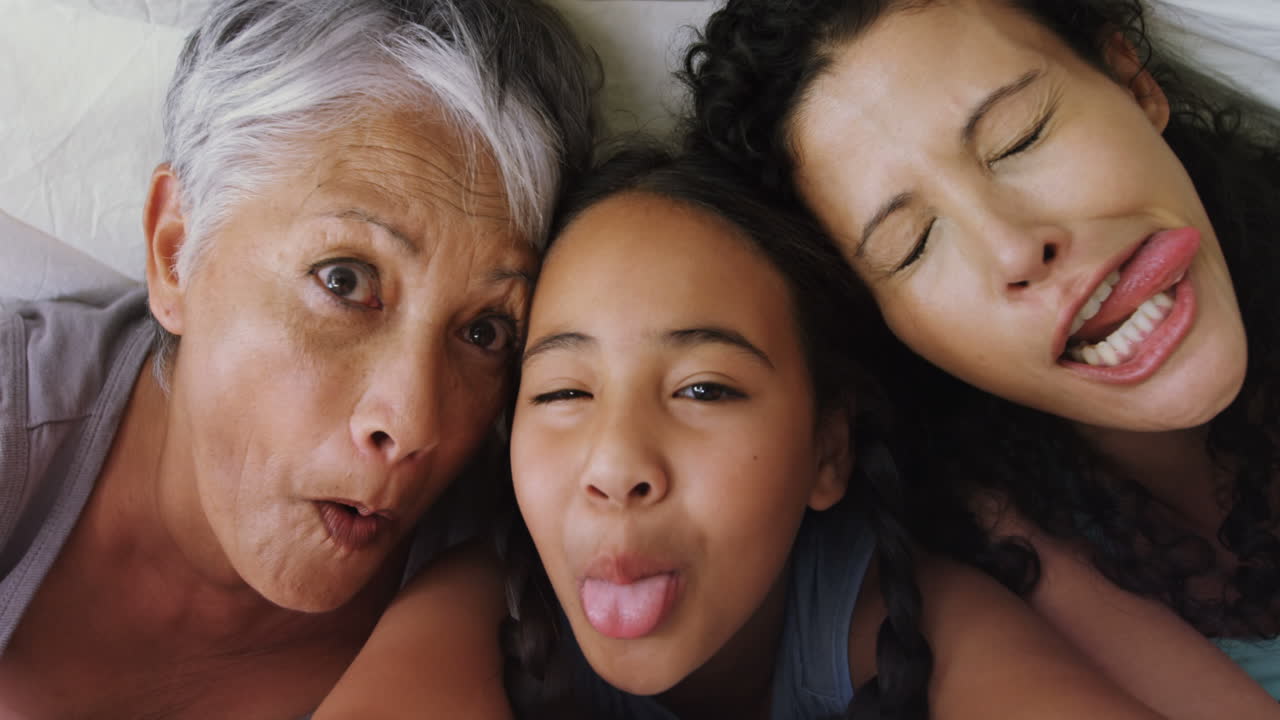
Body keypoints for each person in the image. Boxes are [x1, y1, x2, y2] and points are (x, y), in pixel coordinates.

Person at [321, 147, 1173, 720]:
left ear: (828, 449)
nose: (616, 465)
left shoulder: (907, 620)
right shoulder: (475, 604)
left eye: (703, 388)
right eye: (564, 391)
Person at [681, 0, 1280, 714]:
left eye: (1018, 138)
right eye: (913, 245)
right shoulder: (993, 547)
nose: (1015, 247)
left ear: (1134, 83)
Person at [0, 0, 594, 716]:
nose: (412, 424)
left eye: (485, 333)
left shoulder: (520, 593)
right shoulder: (17, 419)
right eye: (345, 281)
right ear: (174, 251)